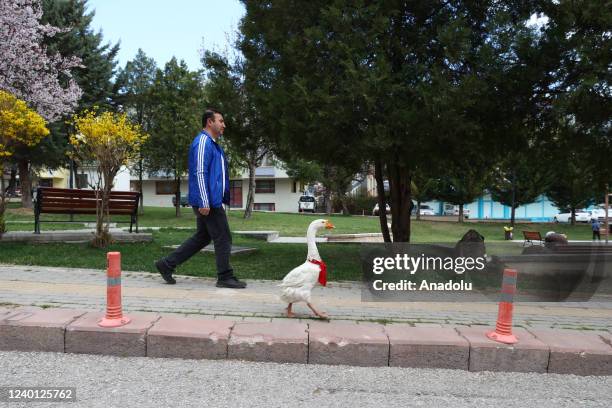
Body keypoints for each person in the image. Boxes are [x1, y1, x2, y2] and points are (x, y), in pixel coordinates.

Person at [155, 108, 246, 289]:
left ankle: (166, 264)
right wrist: (205, 200)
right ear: (209, 122)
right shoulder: (203, 142)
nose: (224, 125)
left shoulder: (212, 144)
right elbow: (199, 172)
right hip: (208, 202)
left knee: (203, 237)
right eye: (221, 121)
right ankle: (225, 276)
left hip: (210, 200)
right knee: (223, 237)